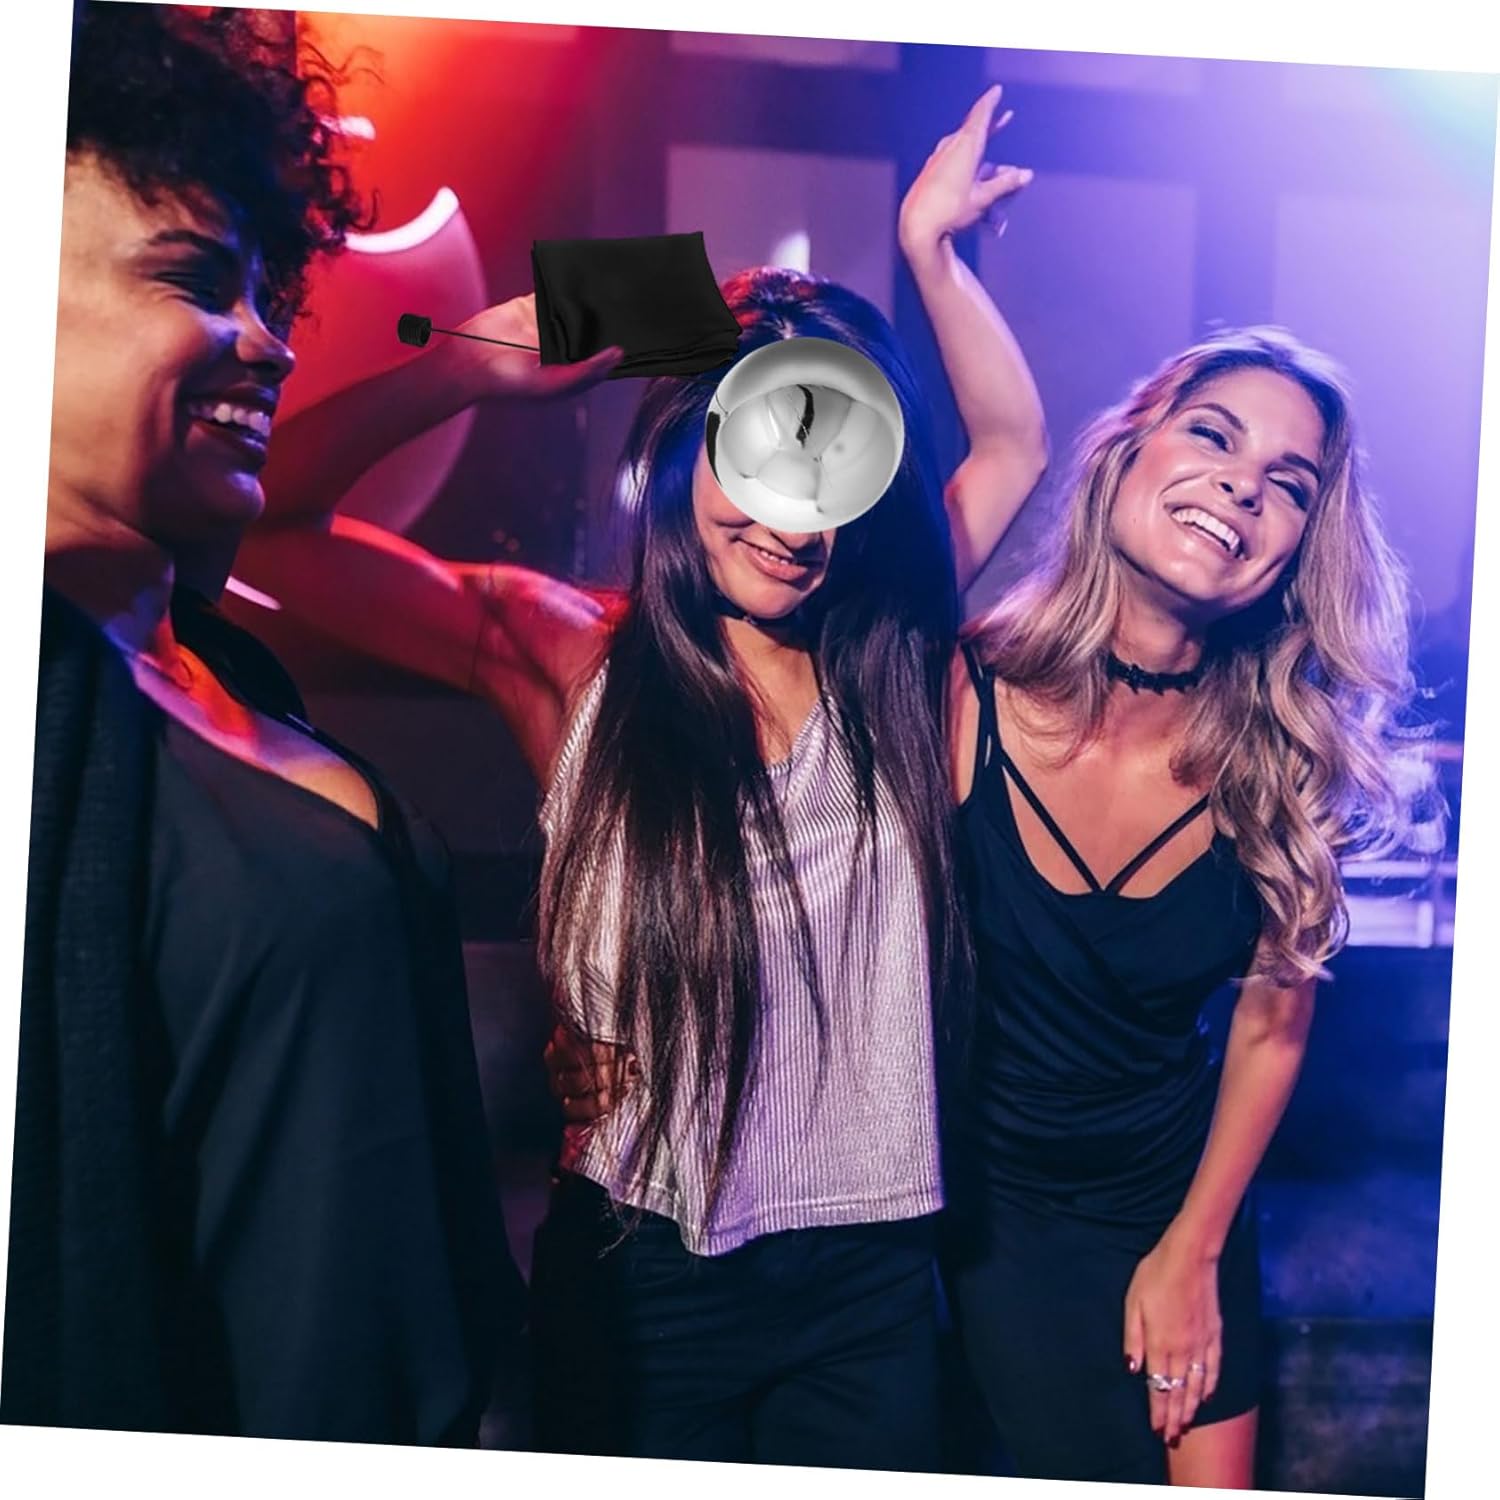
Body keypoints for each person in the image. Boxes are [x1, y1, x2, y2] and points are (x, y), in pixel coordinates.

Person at [231, 86, 1045, 1467]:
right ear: (687, 449)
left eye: (829, 471)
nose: (790, 522)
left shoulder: (897, 654)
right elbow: (270, 524)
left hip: (870, 1277)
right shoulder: (574, 658)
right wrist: (471, 366)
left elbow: (1014, 445)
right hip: (644, 1273)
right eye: (756, 454)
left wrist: (932, 257)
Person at [3, 2, 598, 1443]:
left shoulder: (217, 672)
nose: (267, 347)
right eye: (196, 281)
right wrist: (460, 366)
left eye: (269, 296)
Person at [943, 326, 1439, 1487]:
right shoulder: (958, 688)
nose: (1242, 485)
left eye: (1289, 484)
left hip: (1178, 1202)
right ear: (1127, 451)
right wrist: (931, 257)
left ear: (1296, 548)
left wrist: (1196, 1247)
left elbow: (1273, 1021)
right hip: (984, 1211)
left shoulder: (1280, 756)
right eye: (1213, 435)